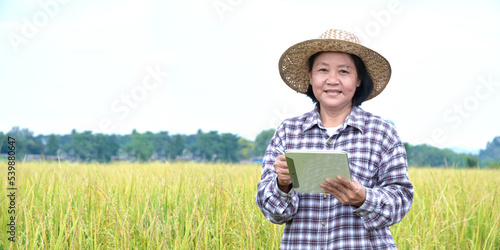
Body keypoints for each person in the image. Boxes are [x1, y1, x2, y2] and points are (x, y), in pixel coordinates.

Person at [255, 29, 414, 249]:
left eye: (344, 72)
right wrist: (283, 184)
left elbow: (401, 201)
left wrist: (363, 198)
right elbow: (273, 212)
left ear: (359, 79)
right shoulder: (288, 132)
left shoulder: (382, 133)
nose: (332, 80)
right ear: (310, 77)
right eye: (322, 70)